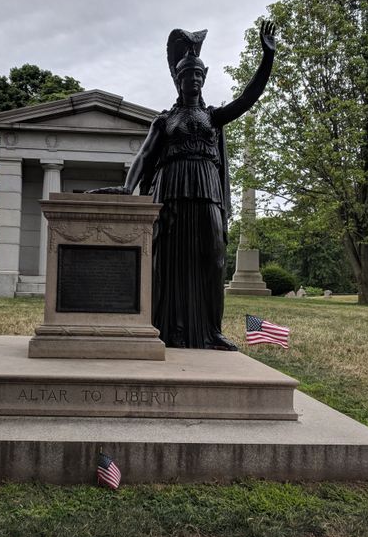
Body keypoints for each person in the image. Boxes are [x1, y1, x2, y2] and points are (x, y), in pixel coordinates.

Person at [95, 21, 276, 350]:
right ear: (178, 80)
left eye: (198, 75)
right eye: (187, 75)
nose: (193, 79)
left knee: (214, 260)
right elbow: (144, 155)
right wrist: (127, 188)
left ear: (203, 79)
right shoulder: (164, 121)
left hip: (207, 190)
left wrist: (267, 58)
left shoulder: (213, 117)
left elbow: (247, 98)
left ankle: (212, 330)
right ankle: (171, 329)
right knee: (171, 264)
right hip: (173, 190)